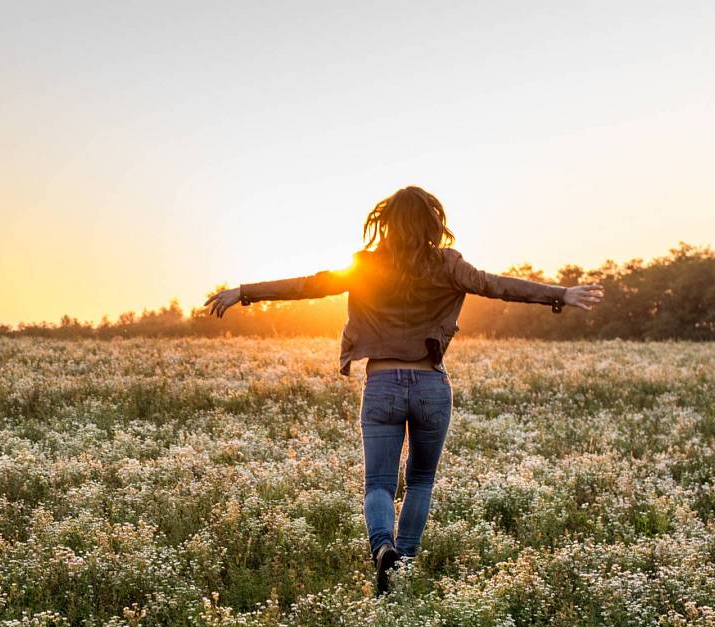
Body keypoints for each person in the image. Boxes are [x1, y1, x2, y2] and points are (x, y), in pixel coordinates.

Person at [204, 186, 603, 595]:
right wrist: (560, 295)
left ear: (386, 223)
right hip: (431, 385)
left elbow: (310, 285)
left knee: (379, 484)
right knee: (421, 482)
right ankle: (402, 569)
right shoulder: (448, 265)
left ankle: (383, 549)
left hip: (382, 385)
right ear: (433, 221)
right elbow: (497, 286)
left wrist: (244, 292)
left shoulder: (366, 267)